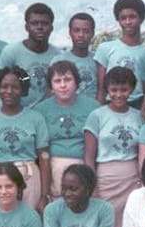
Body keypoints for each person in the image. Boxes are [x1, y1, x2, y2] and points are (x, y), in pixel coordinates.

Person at [84, 66, 144, 227]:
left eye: (124, 89)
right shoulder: (97, 115)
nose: (118, 94)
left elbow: (142, 151)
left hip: (132, 178)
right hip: (106, 178)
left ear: (132, 89)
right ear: (107, 89)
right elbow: (89, 157)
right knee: (105, 222)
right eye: (114, 89)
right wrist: (92, 186)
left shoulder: (139, 116)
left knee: (129, 223)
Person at [0, 66, 50, 216]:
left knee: (27, 222)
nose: (9, 91)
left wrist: (44, 196)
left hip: (28, 177)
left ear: (23, 89)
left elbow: (44, 159)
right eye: (4, 86)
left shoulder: (36, 118)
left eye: (15, 87)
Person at [33, 60, 99, 200]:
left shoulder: (93, 107)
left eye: (68, 80)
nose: (63, 85)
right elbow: (41, 151)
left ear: (77, 83)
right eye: (57, 81)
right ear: (51, 86)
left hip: (84, 166)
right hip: (53, 168)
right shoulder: (40, 110)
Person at [0, 3, 59, 108]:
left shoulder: (58, 56)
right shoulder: (11, 52)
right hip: (18, 111)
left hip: (47, 112)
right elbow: (0, 84)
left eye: (44, 23)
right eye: (35, 23)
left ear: (51, 27)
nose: (40, 27)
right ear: (26, 27)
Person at [94, 0, 145, 108]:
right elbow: (101, 89)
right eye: (123, 18)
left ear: (141, 19)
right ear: (118, 21)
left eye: (132, 17)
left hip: (138, 105)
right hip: (111, 105)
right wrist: (99, 112)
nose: (128, 22)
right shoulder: (105, 49)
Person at [50, 12, 98, 99]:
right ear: (70, 33)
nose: (81, 35)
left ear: (92, 33)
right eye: (76, 30)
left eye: (86, 31)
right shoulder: (58, 61)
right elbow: (52, 93)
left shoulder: (98, 61)